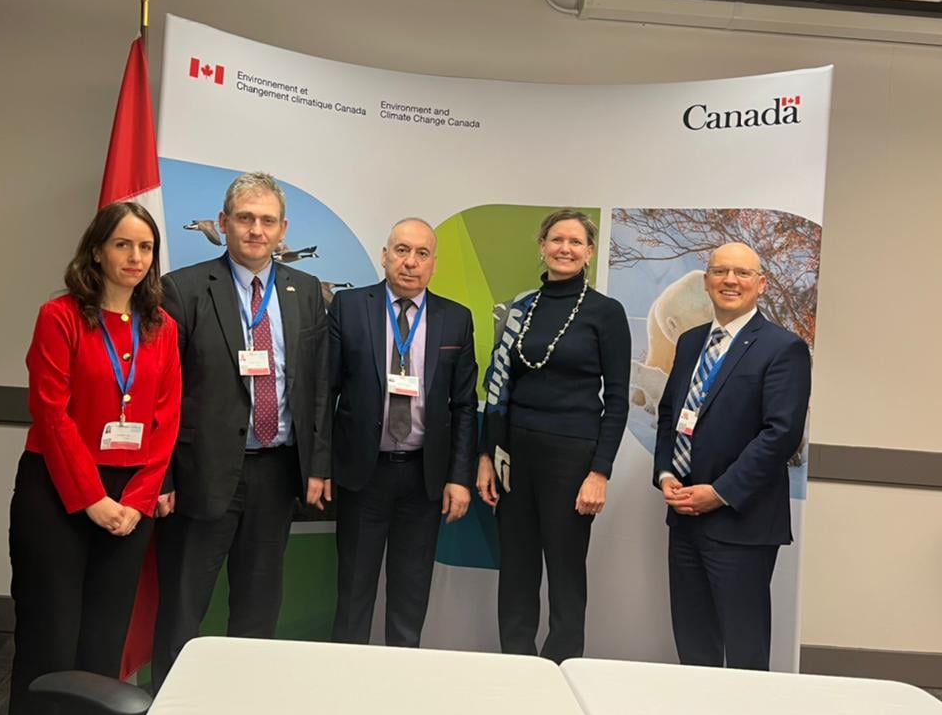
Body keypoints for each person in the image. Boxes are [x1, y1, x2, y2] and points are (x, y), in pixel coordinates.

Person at [7, 201, 181, 715]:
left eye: (145, 247)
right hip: (57, 492)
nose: (135, 257)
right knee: (50, 642)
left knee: (103, 644)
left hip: (130, 501)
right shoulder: (59, 316)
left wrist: (139, 499)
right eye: (122, 244)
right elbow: (51, 413)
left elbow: (166, 420)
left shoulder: (162, 328)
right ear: (98, 251)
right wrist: (92, 499)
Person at [152, 172, 331, 689]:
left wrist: (318, 464)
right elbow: (162, 390)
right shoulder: (183, 289)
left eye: (267, 221)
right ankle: (170, 709)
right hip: (202, 474)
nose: (256, 230)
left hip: (277, 473)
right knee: (184, 607)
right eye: (246, 218)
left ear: (283, 230)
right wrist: (163, 477)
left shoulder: (305, 292)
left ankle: (244, 704)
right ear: (224, 222)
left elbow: (318, 385)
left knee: (258, 606)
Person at [476, 208, 630, 663]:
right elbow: (498, 388)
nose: (565, 248)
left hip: (572, 459)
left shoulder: (606, 313)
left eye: (576, 242)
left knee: (565, 571)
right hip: (514, 455)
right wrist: (488, 456)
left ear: (590, 252)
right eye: (557, 239)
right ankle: (517, 662)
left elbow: (617, 400)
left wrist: (600, 472)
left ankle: (562, 665)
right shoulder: (519, 309)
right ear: (542, 246)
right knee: (516, 568)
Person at [653, 242, 811, 671]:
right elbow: (669, 414)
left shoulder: (783, 348)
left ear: (761, 284)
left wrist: (719, 492)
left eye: (742, 273)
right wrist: (666, 473)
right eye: (721, 271)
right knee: (694, 645)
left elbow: (780, 434)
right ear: (707, 281)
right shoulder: (690, 343)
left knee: (744, 651)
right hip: (684, 517)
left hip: (741, 522)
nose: (730, 281)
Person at [328, 218, 478, 647]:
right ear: (385, 255)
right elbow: (325, 390)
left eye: (422, 253)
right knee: (353, 594)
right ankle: (344, 676)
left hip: (423, 479)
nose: (410, 262)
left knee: (410, 598)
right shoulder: (349, 307)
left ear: (433, 263)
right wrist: (321, 467)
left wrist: (459, 477)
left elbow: (464, 405)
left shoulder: (455, 319)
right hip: (363, 475)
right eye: (401, 250)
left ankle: (402, 677)